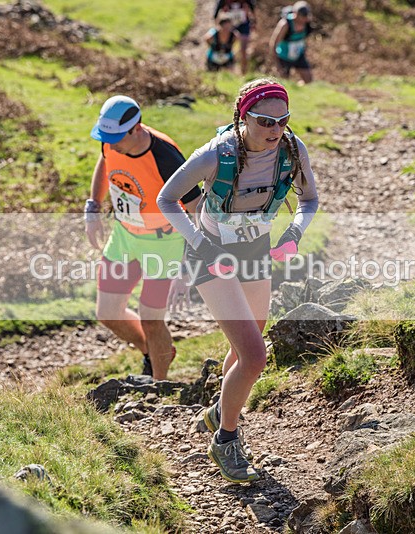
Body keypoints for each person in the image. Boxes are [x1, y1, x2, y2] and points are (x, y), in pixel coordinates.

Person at [157, 79, 319, 483]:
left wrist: (294, 234)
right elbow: (166, 198)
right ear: (243, 118)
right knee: (255, 355)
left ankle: (217, 412)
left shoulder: (292, 150)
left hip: (255, 252)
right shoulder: (216, 153)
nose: (275, 129)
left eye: (282, 121)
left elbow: (309, 200)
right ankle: (226, 439)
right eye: (265, 121)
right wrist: (199, 243)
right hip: (210, 255)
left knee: (243, 348)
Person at [86, 95, 201, 380]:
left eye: (116, 138)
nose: (110, 144)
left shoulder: (166, 157)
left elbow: (198, 210)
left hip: (165, 242)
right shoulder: (111, 139)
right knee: (108, 312)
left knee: (152, 319)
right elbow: (105, 161)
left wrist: (188, 265)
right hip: (125, 235)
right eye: (106, 137)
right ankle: (153, 351)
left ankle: (159, 387)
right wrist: (93, 206)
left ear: (136, 129)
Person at [270, 1, 314, 85]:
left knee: (308, 80)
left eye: (306, 16)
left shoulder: (307, 23)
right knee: (284, 83)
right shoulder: (285, 24)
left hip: (298, 55)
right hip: (284, 57)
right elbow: (274, 43)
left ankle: (297, 88)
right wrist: (277, 64)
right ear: (295, 13)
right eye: (302, 16)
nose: (304, 19)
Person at [213, 0, 256, 74]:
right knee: (227, 48)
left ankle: (244, 72)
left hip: (243, 24)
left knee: (243, 50)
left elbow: (252, 10)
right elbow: (216, 14)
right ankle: (227, 69)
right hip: (229, 25)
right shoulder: (223, 1)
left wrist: (254, 22)